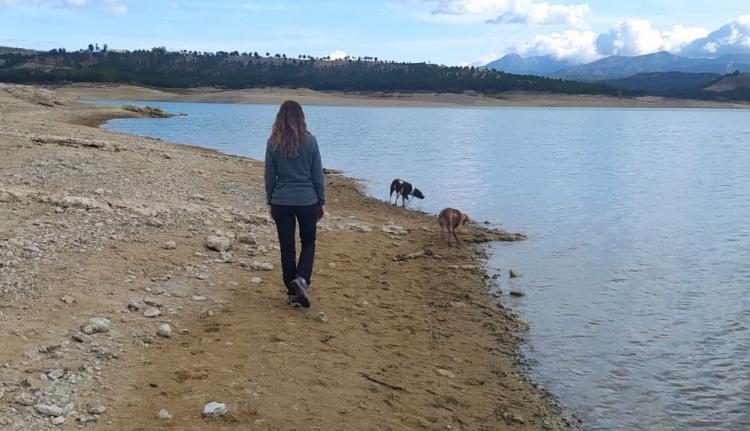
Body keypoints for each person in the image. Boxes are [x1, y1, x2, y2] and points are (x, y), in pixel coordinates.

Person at [264, 101, 325, 308]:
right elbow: (318, 176)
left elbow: (269, 176)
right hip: (307, 200)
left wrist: (270, 200)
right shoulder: (311, 141)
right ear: (301, 118)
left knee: (287, 247)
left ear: (279, 118)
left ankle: (293, 292)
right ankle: (301, 279)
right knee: (308, 242)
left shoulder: (273, 142)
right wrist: (321, 200)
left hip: (281, 200)